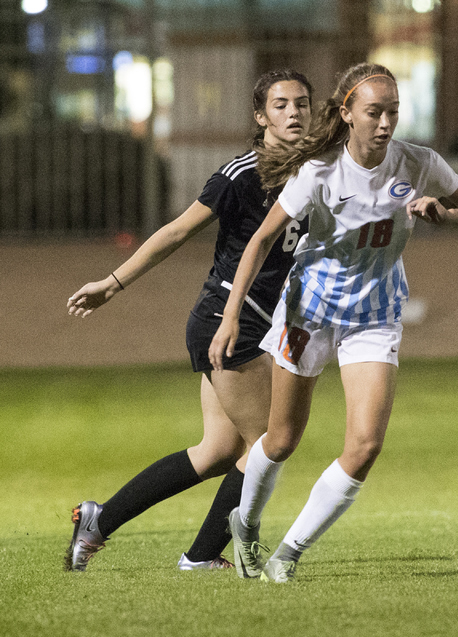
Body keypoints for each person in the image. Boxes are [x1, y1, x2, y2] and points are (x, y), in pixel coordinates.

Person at [209, 62, 458, 583]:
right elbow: (261, 240)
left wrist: (449, 214)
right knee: (280, 439)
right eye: (373, 112)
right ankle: (246, 525)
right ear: (346, 114)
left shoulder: (417, 163)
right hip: (310, 313)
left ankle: (289, 553)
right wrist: (230, 317)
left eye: (392, 112)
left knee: (365, 445)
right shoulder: (319, 171)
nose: (385, 123)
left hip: (375, 317)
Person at [64, 69, 313, 572]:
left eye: (302, 104)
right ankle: (201, 556)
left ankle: (99, 520)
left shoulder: (316, 169)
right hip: (228, 319)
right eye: (281, 104)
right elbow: (177, 232)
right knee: (269, 442)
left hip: (256, 320)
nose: (294, 113)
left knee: (219, 450)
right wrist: (111, 284)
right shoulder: (241, 174)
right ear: (260, 117)